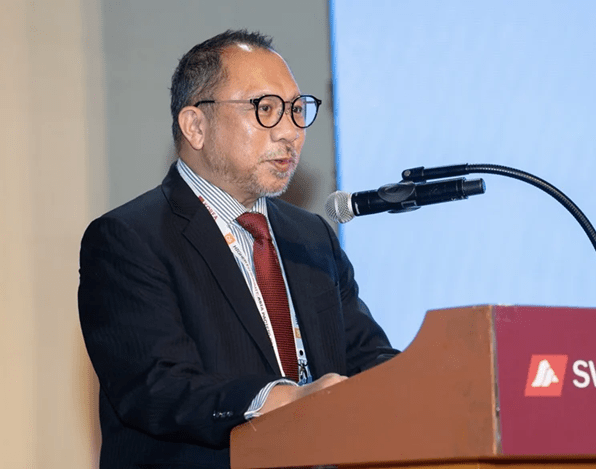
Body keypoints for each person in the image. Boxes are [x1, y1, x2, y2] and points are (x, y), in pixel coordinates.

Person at [78, 29, 399, 469]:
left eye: (297, 110)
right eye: (265, 109)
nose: (290, 132)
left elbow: (366, 355)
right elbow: (157, 388)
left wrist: (430, 381)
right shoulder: (128, 239)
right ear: (196, 126)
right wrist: (284, 400)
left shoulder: (311, 236)